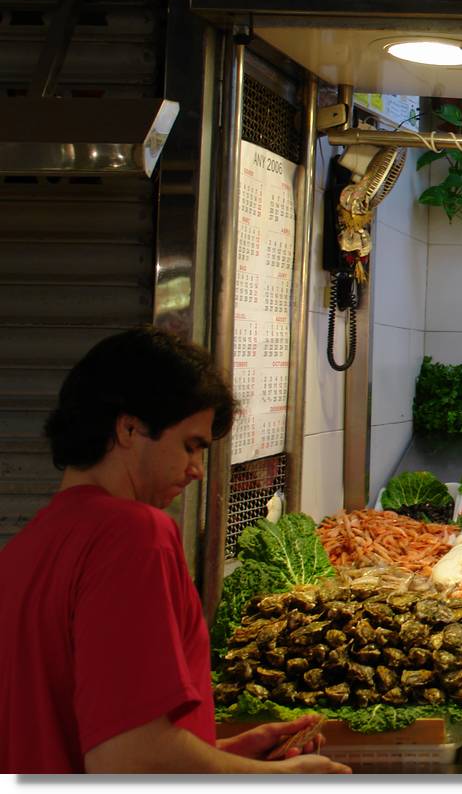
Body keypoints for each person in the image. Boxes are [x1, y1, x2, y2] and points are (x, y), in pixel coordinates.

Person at [0, 327, 351, 774]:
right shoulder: (134, 534)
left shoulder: (25, 548)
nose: (197, 471)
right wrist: (274, 779)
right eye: (191, 446)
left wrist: (219, 755)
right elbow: (127, 761)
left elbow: (78, 734)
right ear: (129, 428)